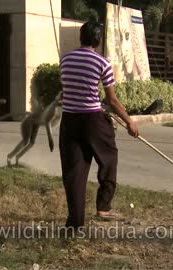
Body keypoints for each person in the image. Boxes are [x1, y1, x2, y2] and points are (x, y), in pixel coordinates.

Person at [59, 20, 139, 230]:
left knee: (74, 171)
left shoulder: (65, 60)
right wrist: (129, 121)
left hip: (69, 121)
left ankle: (74, 223)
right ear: (98, 39)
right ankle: (104, 206)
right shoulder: (102, 63)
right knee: (109, 158)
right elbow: (111, 100)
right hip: (93, 120)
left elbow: (71, 89)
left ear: (81, 37)